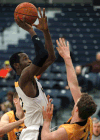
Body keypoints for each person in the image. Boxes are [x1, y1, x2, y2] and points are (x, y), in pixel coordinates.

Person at [9, 7, 56, 140]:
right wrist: (31, 30)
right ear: (17, 66)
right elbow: (42, 55)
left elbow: (51, 58)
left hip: (37, 131)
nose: (30, 60)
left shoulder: (30, 77)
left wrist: (46, 31)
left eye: (29, 58)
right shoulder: (24, 78)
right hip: (34, 133)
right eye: (25, 59)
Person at [41, 38, 97, 140]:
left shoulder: (67, 131)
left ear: (76, 108)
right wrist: (67, 58)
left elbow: (45, 138)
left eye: (76, 102)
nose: (75, 99)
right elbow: (74, 85)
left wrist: (47, 121)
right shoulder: (87, 120)